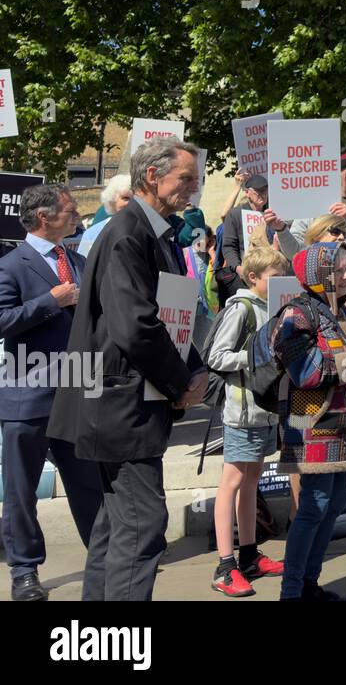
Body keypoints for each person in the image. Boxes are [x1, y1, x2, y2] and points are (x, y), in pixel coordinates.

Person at [47, 136, 210, 600]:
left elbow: (170, 315)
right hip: (120, 407)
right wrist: (180, 384)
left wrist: (192, 368)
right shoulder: (128, 233)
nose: (193, 190)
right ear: (153, 176)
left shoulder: (149, 231)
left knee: (113, 529)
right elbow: (136, 325)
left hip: (118, 404)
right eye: (186, 179)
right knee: (141, 529)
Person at [0, 185, 104, 601]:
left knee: (88, 484)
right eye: (69, 209)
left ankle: (105, 557)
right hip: (27, 396)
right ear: (44, 217)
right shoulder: (11, 266)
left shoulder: (78, 260)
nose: (77, 214)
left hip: (78, 392)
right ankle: (25, 571)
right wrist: (49, 301)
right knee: (21, 492)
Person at [275, 241, 346, 600]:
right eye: (336, 270)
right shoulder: (297, 314)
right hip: (310, 425)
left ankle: (309, 583)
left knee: (334, 504)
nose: (345, 275)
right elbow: (305, 371)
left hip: (339, 423)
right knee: (315, 505)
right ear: (316, 275)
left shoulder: (340, 313)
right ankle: (291, 592)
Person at [205, 244, 290, 597]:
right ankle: (226, 566)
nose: (279, 282)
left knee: (251, 481)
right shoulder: (241, 309)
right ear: (253, 278)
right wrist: (257, 356)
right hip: (243, 410)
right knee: (233, 481)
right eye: (273, 277)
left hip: (263, 410)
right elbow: (217, 356)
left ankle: (250, 555)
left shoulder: (271, 307)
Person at [283, 152, 346, 307]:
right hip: (319, 288)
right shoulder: (315, 202)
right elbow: (296, 252)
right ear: (337, 174)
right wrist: (281, 230)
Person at [218, 174, 292, 305]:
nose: (262, 195)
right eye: (257, 191)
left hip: (270, 276)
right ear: (247, 193)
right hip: (244, 276)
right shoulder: (235, 214)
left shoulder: (273, 214)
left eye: (264, 191)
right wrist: (237, 267)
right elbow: (229, 246)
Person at [74, 174, 132, 257]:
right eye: (126, 198)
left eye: (136, 198)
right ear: (112, 200)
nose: (132, 203)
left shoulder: (148, 227)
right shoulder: (94, 232)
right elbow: (83, 264)